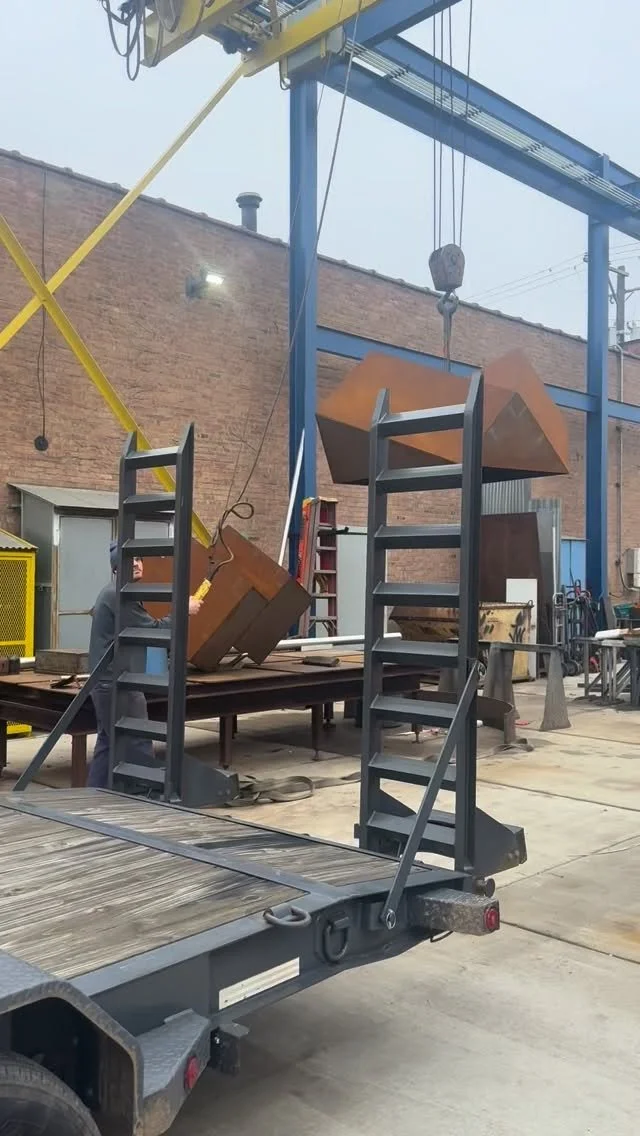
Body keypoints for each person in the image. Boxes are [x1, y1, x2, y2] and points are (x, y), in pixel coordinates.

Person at [87, 541, 202, 788]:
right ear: (116, 567)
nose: (137, 564)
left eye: (140, 559)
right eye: (131, 560)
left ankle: (94, 794)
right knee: (138, 738)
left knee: (108, 741)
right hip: (118, 684)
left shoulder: (116, 593)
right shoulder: (120, 596)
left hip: (108, 682)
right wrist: (182, 610)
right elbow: (154, 630)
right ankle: (144, 795)